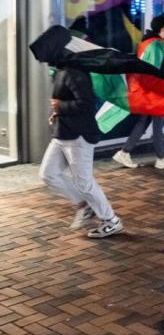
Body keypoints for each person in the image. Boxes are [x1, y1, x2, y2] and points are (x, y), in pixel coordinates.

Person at [39, 68, 124, 238]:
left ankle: (111, 220)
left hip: (79, 136)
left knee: (84, 182)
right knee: (48, 174)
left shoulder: (76, 72)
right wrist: (55, 113)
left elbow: (86, 103)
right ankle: (84, 204)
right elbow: (62, 99)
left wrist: (60, 106)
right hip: (61, 133)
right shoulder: (60, 71)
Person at [112, 15, 164, 170]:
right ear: (162, 29)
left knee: (144, 122)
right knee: (157, 123)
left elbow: (150, 66)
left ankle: (125, 152)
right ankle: (161, 157)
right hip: (154, 91)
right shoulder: (157, 45)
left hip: (145, 89)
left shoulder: (146, 42)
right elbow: (155, 72)